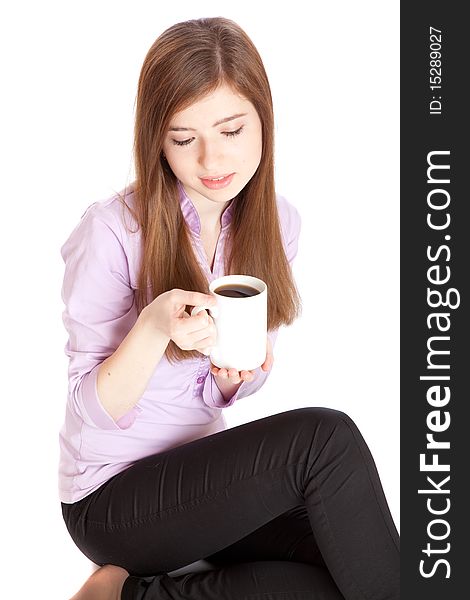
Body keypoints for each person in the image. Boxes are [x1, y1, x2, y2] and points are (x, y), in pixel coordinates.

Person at [60, 16, 400, 600]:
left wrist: (238, 379)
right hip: (112, 500)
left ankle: (123, 598)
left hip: (200, 486)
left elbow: (223, 384)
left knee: (347, 559)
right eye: (184, 138)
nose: (212, 159)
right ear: (157, 141)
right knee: (325, 441)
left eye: (232, 130)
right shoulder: (112, 230)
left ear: (263, 122)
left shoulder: (275, 223)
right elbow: (90, 409)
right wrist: (154, 324)